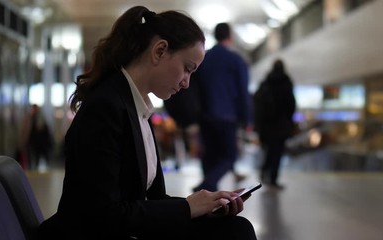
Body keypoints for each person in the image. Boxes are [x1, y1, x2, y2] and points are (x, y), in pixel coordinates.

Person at [37, 6, 257, 240]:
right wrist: (188, 208)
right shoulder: (105, 108)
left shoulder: (135, 107)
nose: (186, 83)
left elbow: (152, 200)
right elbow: (102, 215)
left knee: (234, 227)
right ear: (160, 51)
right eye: (187, 69)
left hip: (122, 228)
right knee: (235, 233)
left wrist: (204, 208)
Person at [193, 22, 252, 192]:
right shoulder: (236, 59)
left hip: (205, 116)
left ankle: (207, 197)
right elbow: (243, 90)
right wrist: (247, 118)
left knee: (209, 157)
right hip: (227, 117)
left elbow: (195, 87)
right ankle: (207, 184)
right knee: (229, 157)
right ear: (230, 37)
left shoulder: (204, 57)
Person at [253, 59, 296, 190]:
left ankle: (264, 171)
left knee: (269, 151)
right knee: (277, 153)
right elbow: (291, 105)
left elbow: (258, 105)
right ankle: (273, 179)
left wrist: (259, 125)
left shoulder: (266, 83)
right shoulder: (286, 83)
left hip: (267, 126)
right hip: (281, 125)